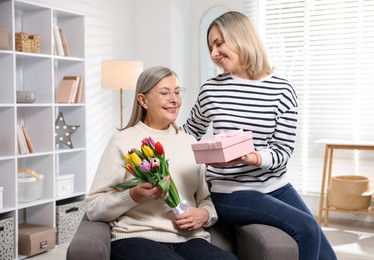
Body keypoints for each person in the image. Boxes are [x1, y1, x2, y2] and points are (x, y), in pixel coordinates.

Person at [182, 11, 337, 260]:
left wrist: (251, 157)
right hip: (230, 191)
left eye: (219, 43)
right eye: (210, 46)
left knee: (328, 255)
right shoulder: (211, 90)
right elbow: (189, 134)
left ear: (241, 37)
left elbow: (282, 152)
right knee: (307, 229)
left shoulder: (282, 90)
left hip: (277, 187)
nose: (213, 53)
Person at [85, 66, 237, 260]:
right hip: (136, 237)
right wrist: (135, 194)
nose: (174, 100)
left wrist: (205, 215)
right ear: (143, 100)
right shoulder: (122, 141)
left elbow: (204, 200)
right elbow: (94, 207)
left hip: (189, 239)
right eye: (165, 93)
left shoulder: (190, 142)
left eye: (177, 92)